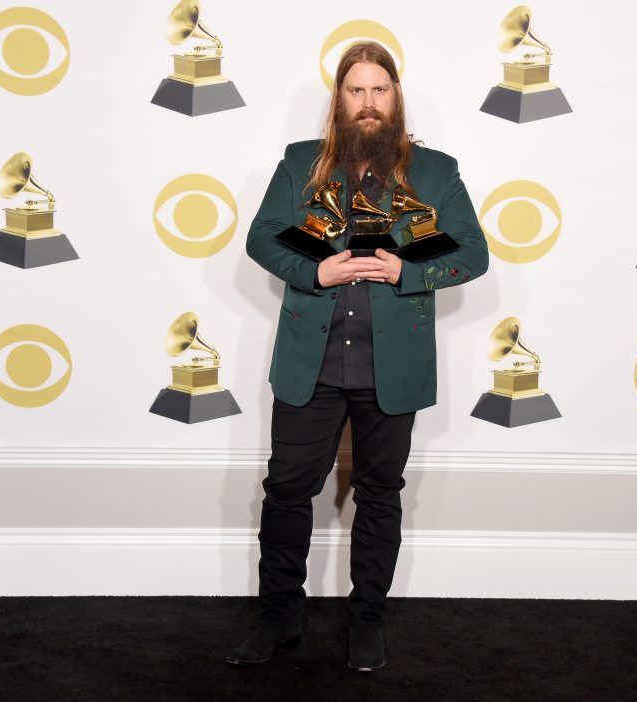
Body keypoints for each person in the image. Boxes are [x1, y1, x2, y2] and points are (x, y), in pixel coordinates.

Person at [228, 41, 489, 671]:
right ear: (339, 100)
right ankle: (277, 618)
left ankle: (366, 622)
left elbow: (473, 253)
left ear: (395, 98)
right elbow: (262, 239)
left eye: (379, 90)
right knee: (288, 492)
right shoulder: (300, 166)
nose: (368, 103)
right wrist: (316, 273)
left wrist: (408, 267)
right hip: (309, 365)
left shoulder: (435, 171)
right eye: (356, 90)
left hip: (390, 369)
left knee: (380, 494)